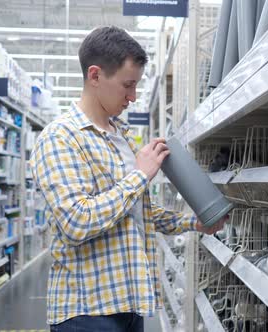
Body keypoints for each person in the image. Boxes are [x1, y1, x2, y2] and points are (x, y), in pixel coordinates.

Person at [30, 26, 225, 332]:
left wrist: (194, 223)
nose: (133, 97)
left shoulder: (120, 136)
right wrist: (139, 175)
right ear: (95, 76)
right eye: (127, 86)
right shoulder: (60, 138)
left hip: (130, 305)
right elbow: (76, 221)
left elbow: (136, 212)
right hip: (87, 313)